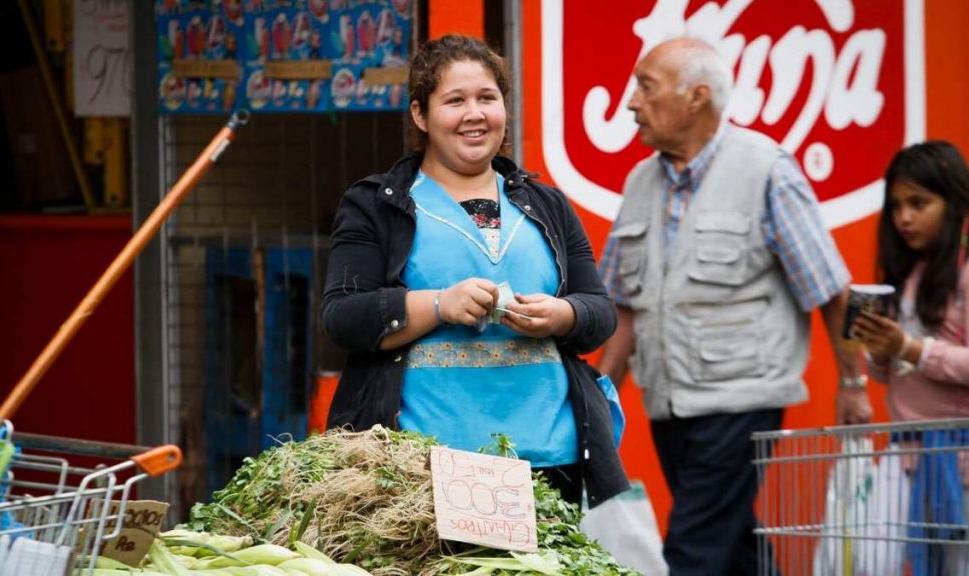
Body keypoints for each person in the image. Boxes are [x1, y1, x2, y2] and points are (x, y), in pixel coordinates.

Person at [596, 37, 872, 575]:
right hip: (669, 404)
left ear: (696, 97)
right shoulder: (640, 182)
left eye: (645, 88)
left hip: (741, 398)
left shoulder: (767, 170)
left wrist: (852, 383)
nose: (630, 102)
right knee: (733, 542)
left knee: (693, 550)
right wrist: (601, 402)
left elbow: (834, 291)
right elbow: (626, 308)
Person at [321, 34, 628, 507]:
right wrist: (441, 304)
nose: (475, 114)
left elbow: (599, 312)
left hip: (549, 456)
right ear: (420, 115)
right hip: (424, 463)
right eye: (455, 100)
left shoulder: (545, 204)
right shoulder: (377, 205)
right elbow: (343, 317)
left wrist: (562, 315)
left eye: (488, 97)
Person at [851, 141, 969, 574]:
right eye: (897, 205)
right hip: (904, 450)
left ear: (955, 202)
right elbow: (889, 373)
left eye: (920, 203)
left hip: (960, 457)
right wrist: (876, 347)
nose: (904, 218)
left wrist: (909, 348)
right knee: (870, 562)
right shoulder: (908, 273)